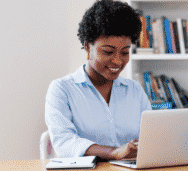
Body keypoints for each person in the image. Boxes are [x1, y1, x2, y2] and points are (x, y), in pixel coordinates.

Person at [45, 0, 151, 160]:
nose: (117, 61)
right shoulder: (62, 89)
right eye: (108, 52)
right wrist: (113, 152)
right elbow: (64, 143)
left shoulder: (134, 90)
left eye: (124, 52)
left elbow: (151, 138)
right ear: (88, 47)